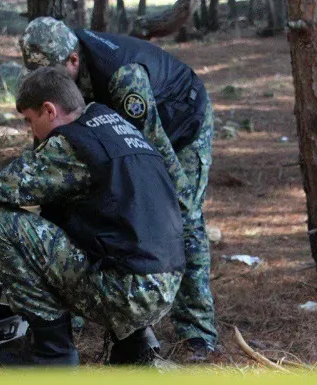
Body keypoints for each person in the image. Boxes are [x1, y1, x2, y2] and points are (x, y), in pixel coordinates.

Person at [0, 67, 185, 366]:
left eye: (30, 121)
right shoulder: (115, 126)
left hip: (129, 290)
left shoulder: (70, 144)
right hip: (165, 282)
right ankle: (135, 343)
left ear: (49, 110)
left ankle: (51, 354)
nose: (32, 132)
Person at [20, 18, 217, 361]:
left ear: (73, 61)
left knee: (181, 216)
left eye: (52, 76)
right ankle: (77, 309)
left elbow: (158, 159)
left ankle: (198, 332)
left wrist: (178, 204)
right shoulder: (56, 79)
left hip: (179, 126)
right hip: (129, 130)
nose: (45, 86)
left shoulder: (124, 79)